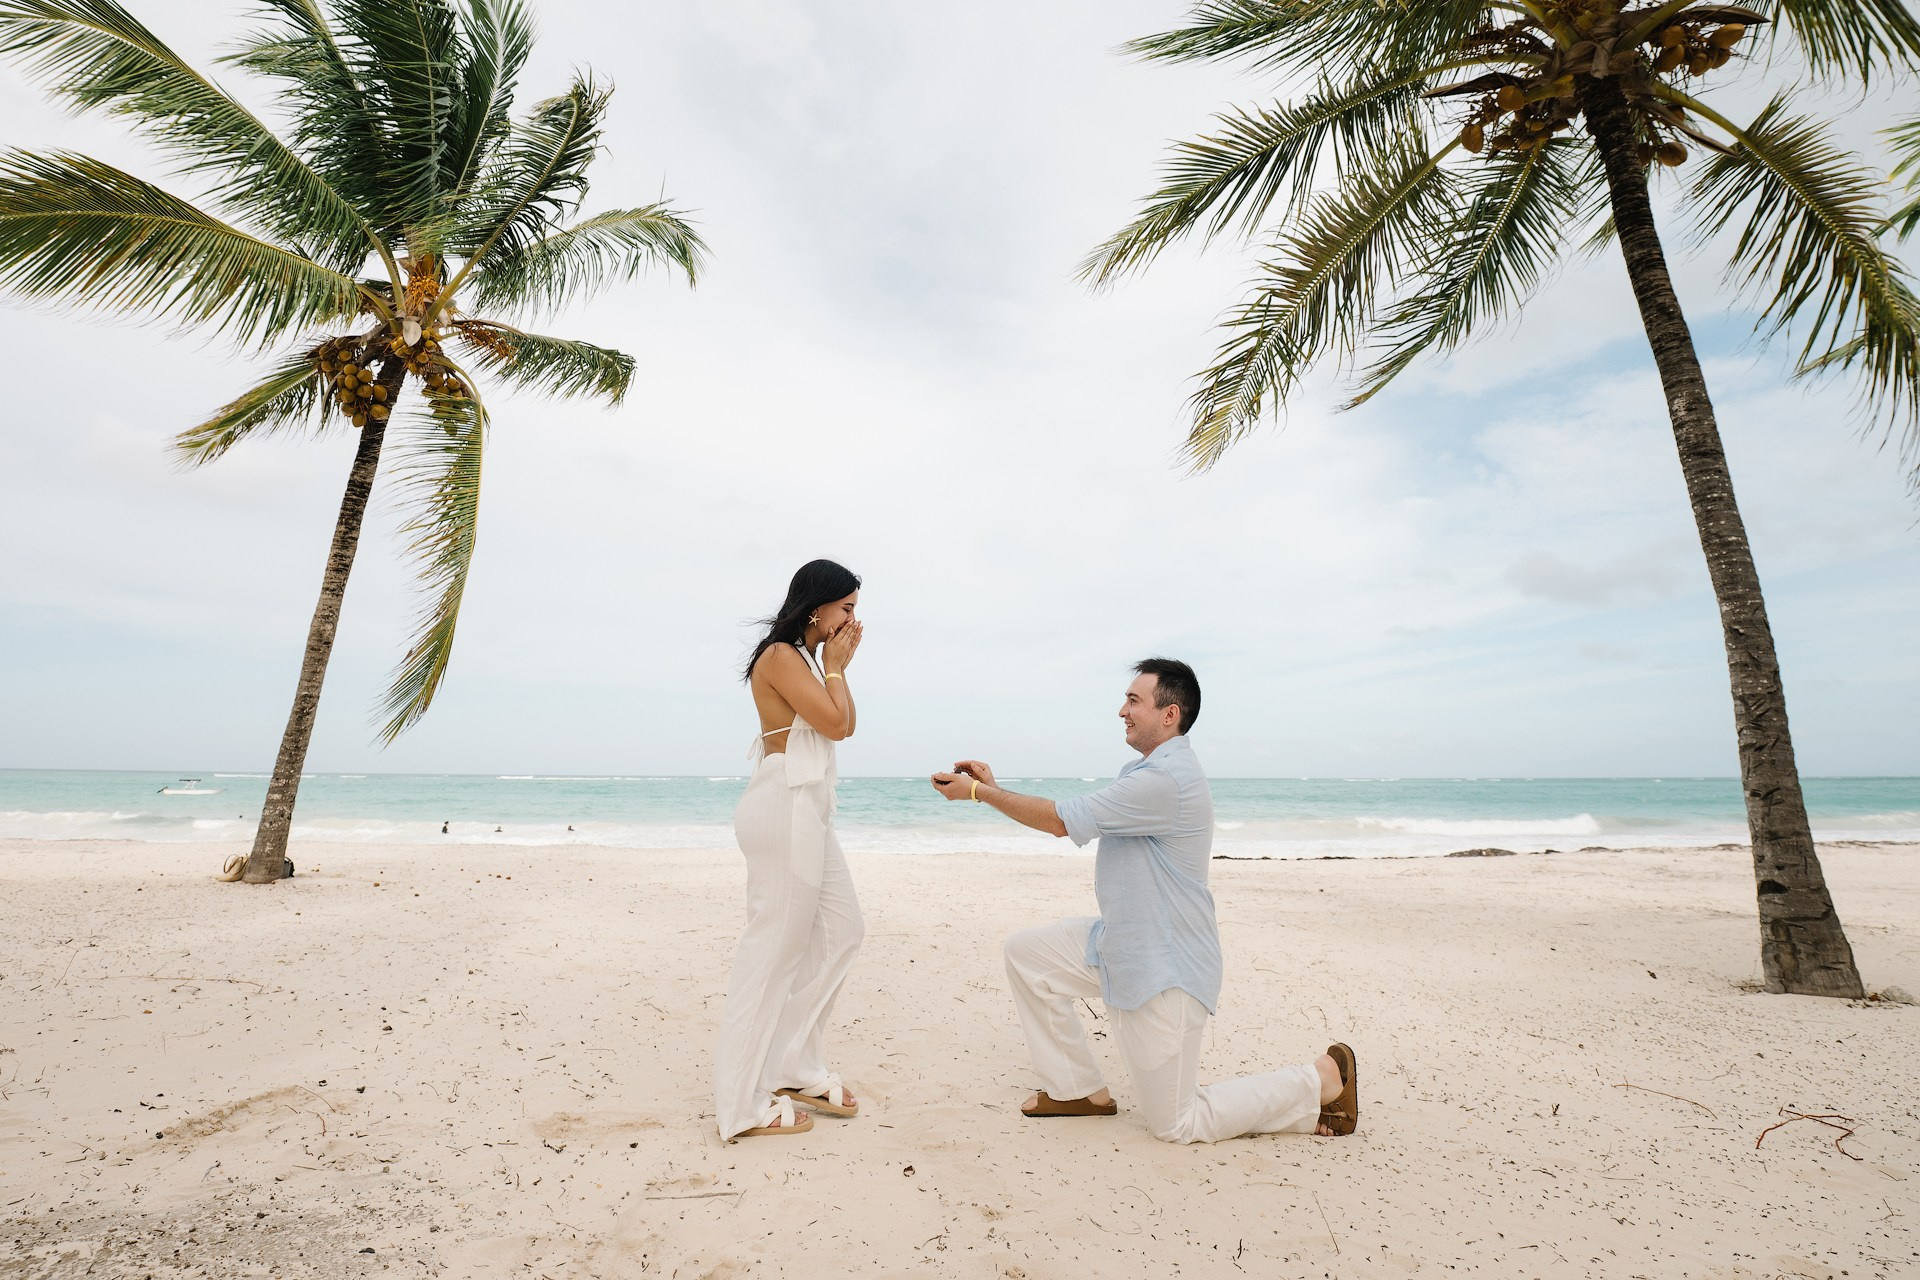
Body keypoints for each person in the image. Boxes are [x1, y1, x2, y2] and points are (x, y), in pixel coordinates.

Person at [931, 658, 1358, 1143]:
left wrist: (980, 794)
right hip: (1119, 943)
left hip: (1164, 970)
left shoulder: (1165, 781)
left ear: (1169, 714)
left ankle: (1323, 1079)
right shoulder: (1145, 771)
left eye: (1134, 701)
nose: (1122, 711)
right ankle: (1076, 1091)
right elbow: (1072, 815)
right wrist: (990, 788)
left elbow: (1060, 821)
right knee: (1027, 955)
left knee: (1178, 1123)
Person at [714, 559, 867, 1140]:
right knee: (770, 958)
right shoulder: (780, 657)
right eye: (847, 608)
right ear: (817, 606)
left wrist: (835, 669)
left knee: (843, 929)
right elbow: (832, 723)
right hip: (782, 807)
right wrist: (835, 667)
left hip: (808, 812)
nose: (854, 621)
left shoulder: (809, 661)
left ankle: (792, 1066)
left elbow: (844, 723)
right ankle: (739, 1108)